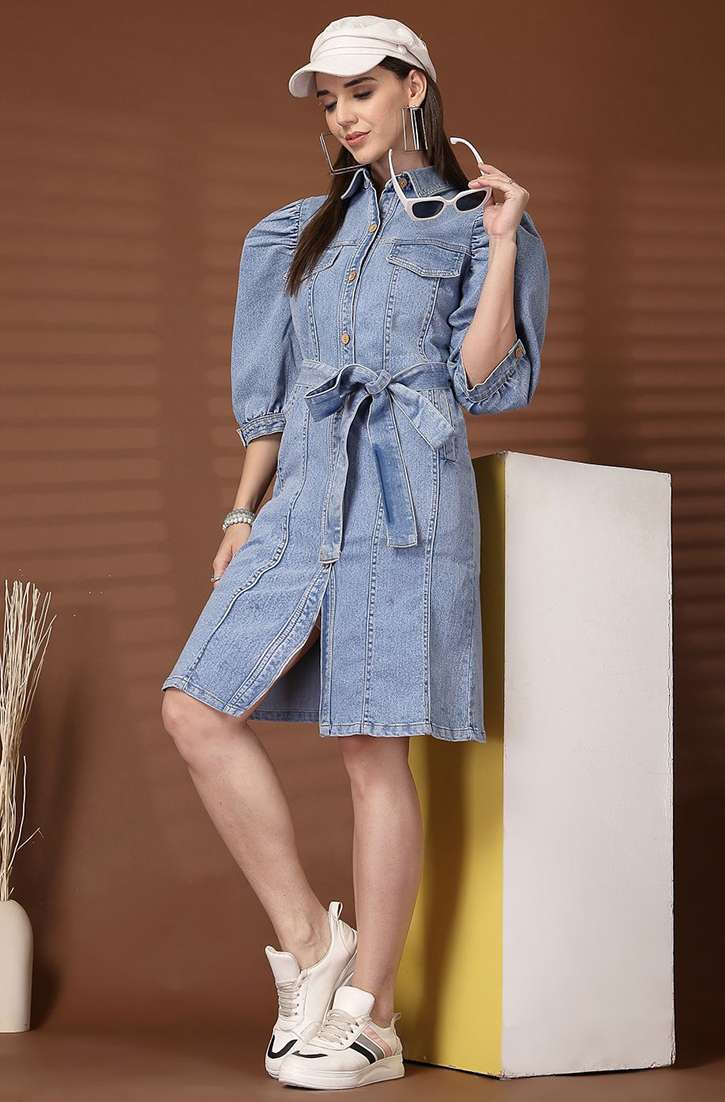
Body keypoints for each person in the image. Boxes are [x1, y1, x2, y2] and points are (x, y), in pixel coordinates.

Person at [160, 14, 550, 1092]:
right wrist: (241, 515)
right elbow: (272, 398)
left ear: (414, 87)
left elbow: (481, 381)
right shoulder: (290, 233)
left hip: (405, 499)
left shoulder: (479, 222)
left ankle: (370, 1019)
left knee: (373, 752)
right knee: (194, 708)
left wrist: (503, 242)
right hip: (300, 499)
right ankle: (311, 940)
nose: (342, 115)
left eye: (360, 92)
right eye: (328, 100)